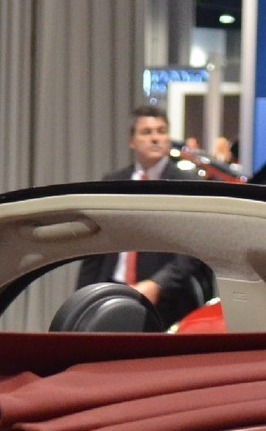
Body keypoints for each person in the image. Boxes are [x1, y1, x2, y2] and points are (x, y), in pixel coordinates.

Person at [73, 102, 213, 326]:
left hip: (167, 300)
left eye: (161, 131)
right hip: (113, 291)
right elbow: (94, 251)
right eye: (146, 132)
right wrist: (83, 298)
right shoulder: (113, 182)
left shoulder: (188, 185)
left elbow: (193, 249)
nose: (155, 138)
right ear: (132, 141)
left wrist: (157, 284)